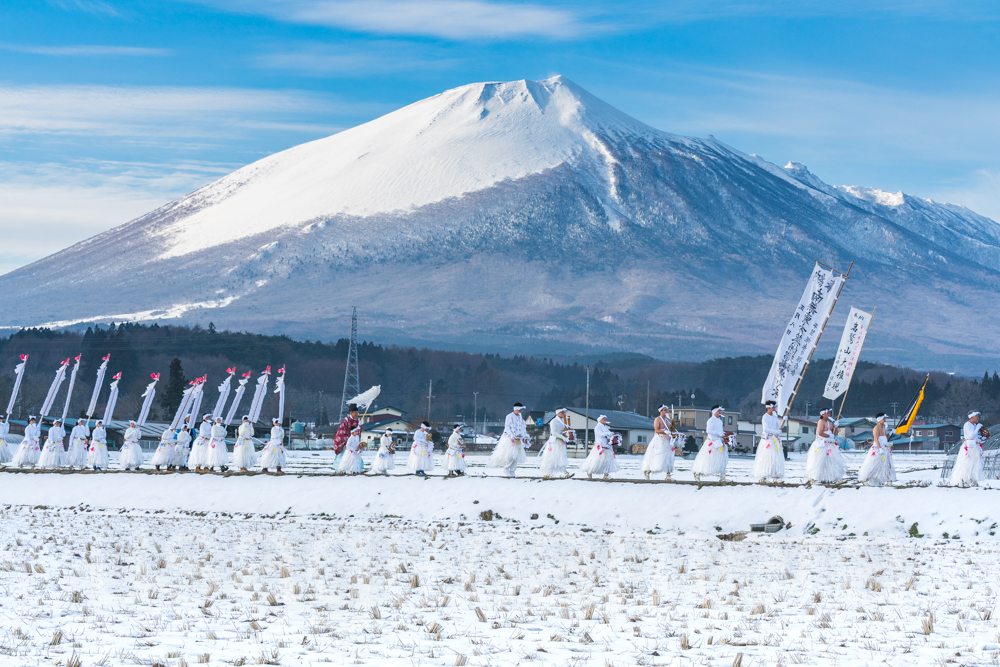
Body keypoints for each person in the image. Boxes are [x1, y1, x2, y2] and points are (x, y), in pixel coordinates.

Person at [489, 403, 530, 477]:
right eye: (520, 410)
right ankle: (506, 468)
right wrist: (512, 436)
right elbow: (507, 427)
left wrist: (524, 436)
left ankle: (512, 471)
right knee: (510, 455)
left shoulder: (520, 417)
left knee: (516, 456)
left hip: (518, 438)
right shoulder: (509, 416)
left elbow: (522, 427)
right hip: (509, 438)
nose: (521, 411)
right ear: (516, 409)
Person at [806, 408, 844, 483]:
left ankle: (832, 477)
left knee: (831, 461)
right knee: (820, 461)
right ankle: (816, 477)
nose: (829, 414)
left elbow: (833, 432)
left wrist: (836, 426)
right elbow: (820, 432)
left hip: (829, 444)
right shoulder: (821, 422)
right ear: (823, 414)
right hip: (822, 444)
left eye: (829, 413)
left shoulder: (829, 422)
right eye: (827, 413)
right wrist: (829, 436)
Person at [950, 410, 986, 487]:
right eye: (976, 416)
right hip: (969, 448)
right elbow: (971, 435)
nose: (978, 418)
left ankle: (973, 479)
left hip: (974, 447)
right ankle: (965, 480)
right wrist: (978, 428)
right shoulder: (967, 425)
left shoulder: (973, 425)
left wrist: (981, 437)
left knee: (974, 463)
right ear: (971, 417)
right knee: (968, 463)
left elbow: (974, 436)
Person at [578, 415, 620, 479]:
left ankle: (606, 475)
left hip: (606, 447)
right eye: (604, 419)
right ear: (600, 420)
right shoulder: (597, 427)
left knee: (607, 461)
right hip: (600, 447)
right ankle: (590, 471)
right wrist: (608, 434)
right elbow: (600, 434)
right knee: (597, 461)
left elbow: (608, 434)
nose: (605, 420)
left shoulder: (605, 427)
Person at [693, 406, 729, 482]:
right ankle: (698, 473)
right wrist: (717, 433)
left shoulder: (720, 421)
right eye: (719, 411)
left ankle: (722, 477)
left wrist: (724, 435)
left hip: (719, 441)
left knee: (721, 459)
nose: (720, 413)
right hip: (712, 442)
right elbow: (708, 430)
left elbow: (720, 430)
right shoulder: (711, 420)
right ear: (715, 412)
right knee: (707, 459)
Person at [858, 413, 895, 486]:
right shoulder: (876, 428)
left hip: (885, 448)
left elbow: (886, 439)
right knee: (873, 464)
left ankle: (888, 480)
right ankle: (865, 479)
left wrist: (891, 433)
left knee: (888, 465)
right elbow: (876, 440)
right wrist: (880, 449)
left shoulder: (884, 427)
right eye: (884, 419)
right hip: (878, 449)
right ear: (880, 419)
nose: (885, 420)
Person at [753, 401, 785, 483]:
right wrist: (775, 432)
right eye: (773, 407)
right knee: (766, 457)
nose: (774, 409)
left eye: (775, 407)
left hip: (774, 439)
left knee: (775, 457)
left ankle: (775, 476)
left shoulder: (774, 416)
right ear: (768, 408)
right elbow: (765, 429)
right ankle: (763, 476)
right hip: (768, 439)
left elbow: (780, 425)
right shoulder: (765, 417)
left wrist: (784, 420)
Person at [643, 406, 676, 481]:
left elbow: (671, 428)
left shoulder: (667, 420)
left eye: (666, 410)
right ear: (660, 411)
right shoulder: (657, 419)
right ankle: (648, 471)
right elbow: (657, 430)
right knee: (656, 455)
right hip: (659, 440)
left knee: (668, 457)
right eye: (664, 410)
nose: (666, 411)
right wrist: (664, 431)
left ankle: (668, 475)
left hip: (667, 440)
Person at [539, 408, 571, 479]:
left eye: (563, 412)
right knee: (552, 457)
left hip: (560, 442)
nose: (563, 414)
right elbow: (554, 432)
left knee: (561, 456)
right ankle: (548, 473)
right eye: (561, 412)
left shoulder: (563, 421)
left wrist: (567, 435)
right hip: (554, 442)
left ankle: (565, 472)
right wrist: (562, 437)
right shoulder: (554, 421)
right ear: (557, 413)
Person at [332, 404, 361, 469]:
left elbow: (358, 432)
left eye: (357, 413)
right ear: (351, 413)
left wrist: (360, 426)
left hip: (353, 443)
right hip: (347, 442)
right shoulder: (346, 420)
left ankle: (355, 468)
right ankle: (341, 468)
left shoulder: (357, 421)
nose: (357, 414)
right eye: (356, 413)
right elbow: (342, 431)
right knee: (345, 457)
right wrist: (346, 441)